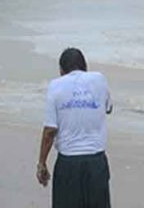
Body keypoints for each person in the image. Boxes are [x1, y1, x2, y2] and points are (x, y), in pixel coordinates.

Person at [37, 47, 113, 207]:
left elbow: (50, 131)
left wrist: (42, 164)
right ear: (85, 66)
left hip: (68, 164)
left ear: (61, 70)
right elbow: (109, 108)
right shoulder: (99, 79)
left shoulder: (55, 86)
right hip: (96, 162)